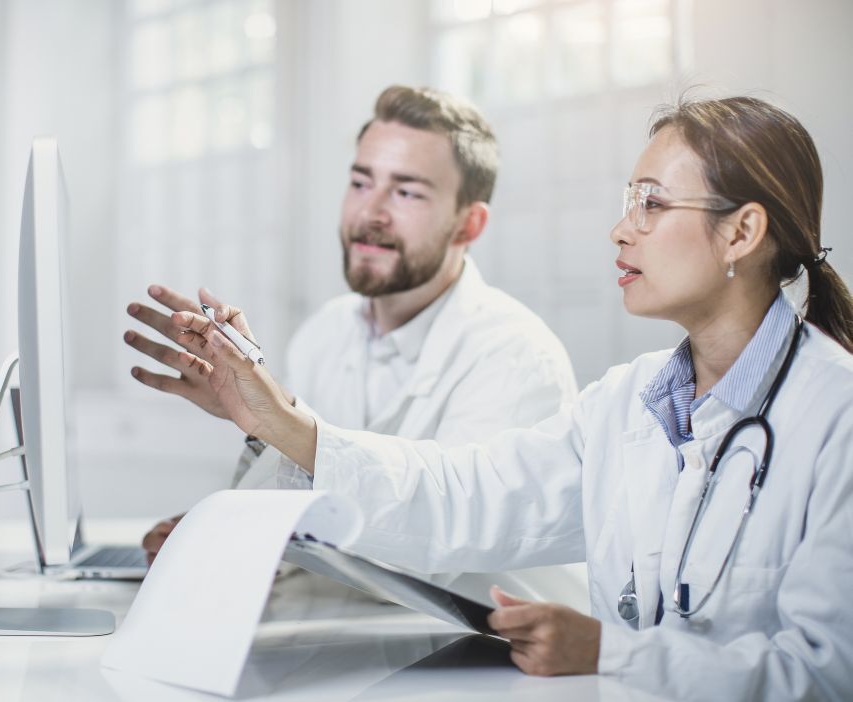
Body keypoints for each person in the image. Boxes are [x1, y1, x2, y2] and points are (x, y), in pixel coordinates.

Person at [165, 94, 853, 700]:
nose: (620, 230)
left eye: (651, 202)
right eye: (626, 202)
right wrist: (281, 424)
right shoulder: (626, 403)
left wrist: (613, 654)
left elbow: (828, 677)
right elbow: (466, 493)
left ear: (740, 231)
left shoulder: (835, 416)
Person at [124, 85, 580, 602]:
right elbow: (314, 521)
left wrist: (280, 420)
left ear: (468, 224)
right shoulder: (325, 333)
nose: (372, 213)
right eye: (361, 182)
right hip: (368, 642)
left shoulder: (517, 357)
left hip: (493, 664)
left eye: (407, 192)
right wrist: (229, 537)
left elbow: (434, 548)